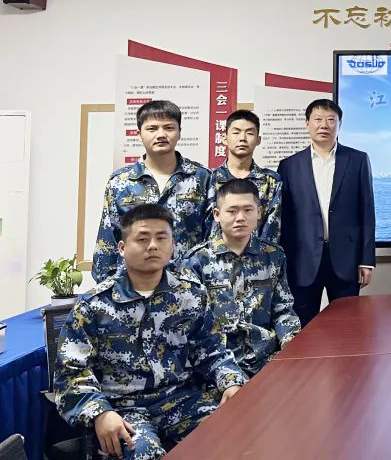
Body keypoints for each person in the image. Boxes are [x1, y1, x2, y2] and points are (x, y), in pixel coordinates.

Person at [55, 204, 246, 460]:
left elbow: (213, 352)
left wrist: (231, 382)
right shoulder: (94, 306)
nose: (153, 246)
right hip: (123, 409)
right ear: (122, 248)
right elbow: (71, 374)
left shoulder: (190, 295)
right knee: (142, 452)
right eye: (143, 239)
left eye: (161, 238)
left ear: (173, 245)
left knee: (233, 438)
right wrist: (100, 413)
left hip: (182, 400)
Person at [180, 178, 301, 378]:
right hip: (218, 362)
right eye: (232, 211)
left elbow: (283, 310)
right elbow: (191, 324)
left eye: (247, 210)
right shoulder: (197, 260)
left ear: (259, 212)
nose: (240, 218)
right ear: (217, 215)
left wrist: (292, 346)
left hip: (266, 358)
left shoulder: (273, 255)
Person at [278, 99, 376, 327]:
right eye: (318, 119)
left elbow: (367, 211)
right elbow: (285, 218)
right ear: (307, 123)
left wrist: (366, 260)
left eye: (331, 120)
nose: (324, 125)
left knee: (348, 324)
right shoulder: (289, 166)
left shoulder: (358, 160)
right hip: (302, 259)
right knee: (303, 326)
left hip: (346, 258)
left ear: (339, 125)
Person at [92, 100, 214, 283]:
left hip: (189, 287)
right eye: (152, 128)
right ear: (139, 133)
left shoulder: (202, 177)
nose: (161, 134)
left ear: (179, 132)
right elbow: (108, 239)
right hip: (134, 286)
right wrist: (108, 286)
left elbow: (213, 236)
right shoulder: (121, 182)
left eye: (169, 128)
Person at [210, 109, 283, 243]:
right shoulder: (209, 179)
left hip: (259, 254)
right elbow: (206, 226)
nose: (242, 138)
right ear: (224, 138)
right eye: (236, 132)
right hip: (215, 255)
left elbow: (272, 229)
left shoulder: (271, 181)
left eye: (249, 133)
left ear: (258, 140)